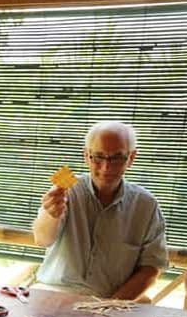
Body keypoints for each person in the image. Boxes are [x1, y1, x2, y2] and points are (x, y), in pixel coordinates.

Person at [33, 121, 168, 299]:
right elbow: (42, 239)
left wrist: (111, 306)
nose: (106, 167)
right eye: (98, 156)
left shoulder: (146, 205)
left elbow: (151, 267)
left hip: (110, 301)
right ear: (87, 156)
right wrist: (50, 214)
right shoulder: (66, 190)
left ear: (131, 158)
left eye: (117, 157)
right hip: (54, 294)